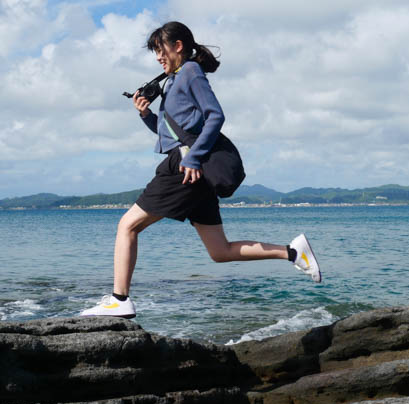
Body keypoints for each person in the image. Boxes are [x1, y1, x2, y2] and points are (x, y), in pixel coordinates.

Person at [81, 21, 320, 320]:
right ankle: (294, 253)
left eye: (160, 49)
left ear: (178, 46)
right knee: (219, 251)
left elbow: (215, 116)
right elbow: (171, 133)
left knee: (127, 226)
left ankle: (119, 300)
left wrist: (192, 159)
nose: (158, 57)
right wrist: (146, 115)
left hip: (184, 168)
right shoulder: (176, 79)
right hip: (194, 171)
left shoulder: (190, 72)